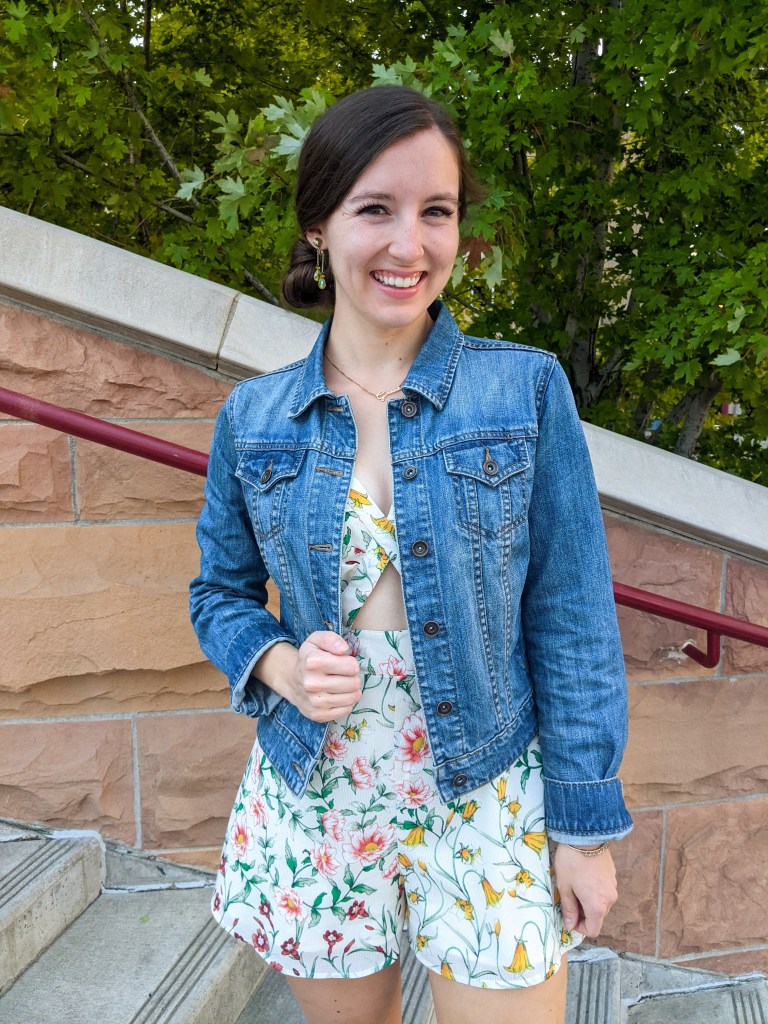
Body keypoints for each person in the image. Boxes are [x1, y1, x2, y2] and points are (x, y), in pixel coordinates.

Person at [190, 85, 632, 1024]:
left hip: (485, 792)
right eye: (375, 209)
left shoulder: (524, 390)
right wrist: (276, 663)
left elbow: (573, 615)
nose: (410, 244)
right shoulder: (255, 417)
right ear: (319, 226)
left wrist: (586, 827)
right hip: (319, 793)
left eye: (437, 211)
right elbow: (219, 594)